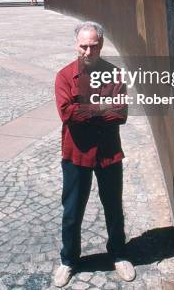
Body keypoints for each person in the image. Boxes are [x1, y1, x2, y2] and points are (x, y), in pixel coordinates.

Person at [53, 22, 135, 288]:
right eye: (84, 46)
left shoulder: (115, 75)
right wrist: (101, 108)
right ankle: (68, 260)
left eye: (94, 46)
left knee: (113, 207)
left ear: (102, 44)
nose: (89, 51)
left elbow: (120, 114)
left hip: (109, 154)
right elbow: (67, 114)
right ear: (76, 44)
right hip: (76, 154)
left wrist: (85, 110)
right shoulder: (64, 76)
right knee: (72, 212)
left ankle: (119, 254)